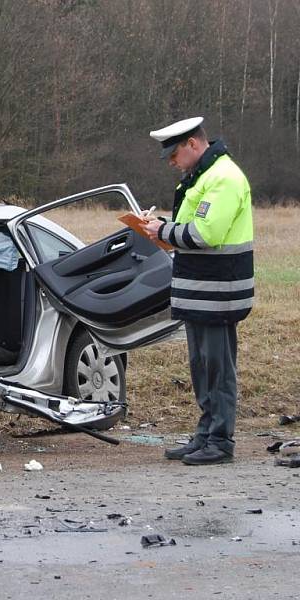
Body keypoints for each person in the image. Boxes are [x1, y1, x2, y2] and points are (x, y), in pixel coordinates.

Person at [143, 116, 253, 466]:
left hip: (219, 292)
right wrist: (161, 227)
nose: (172, 163)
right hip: (200, 291)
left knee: (218, 369)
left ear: (193, 144)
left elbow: (207, 234)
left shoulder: (224, 178)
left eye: (174, 155)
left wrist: (164, 231)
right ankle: (205, 434)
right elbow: (191, 228)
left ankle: (221, 441)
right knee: (202, 366)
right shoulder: (202, 177)